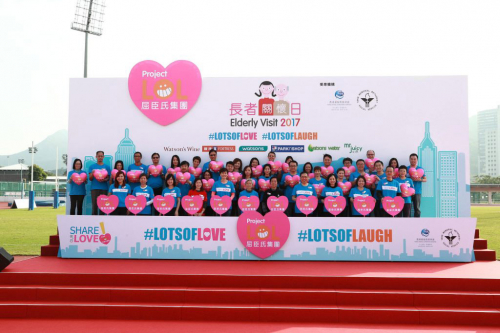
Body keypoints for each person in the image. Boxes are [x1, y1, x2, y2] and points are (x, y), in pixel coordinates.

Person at [88, 151, 111, 215]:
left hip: (104, 188)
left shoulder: (107, 167)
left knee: (103, 207)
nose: (100, 157)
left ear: (103, 157)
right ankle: (94, 222)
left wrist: (104, 179)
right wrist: (92, 173)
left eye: (101, 156)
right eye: (99, 156)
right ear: (96, 157)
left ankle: (102, 222)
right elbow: (90, 178)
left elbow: (108, 178)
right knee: (94, 206)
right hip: (94, 188)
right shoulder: (92, 166)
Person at [409, 153, 426, 217]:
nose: (413, 160)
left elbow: (425, 179)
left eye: (414, 159)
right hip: (407, 192)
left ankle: (417, 223)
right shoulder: (406, 168)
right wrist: (411, 179)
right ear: (409, 160)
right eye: (411, 159)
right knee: (408, 208)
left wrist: (419, 180)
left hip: (417, 191)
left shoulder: (421, 169)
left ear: (417, 160)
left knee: (417, 208)